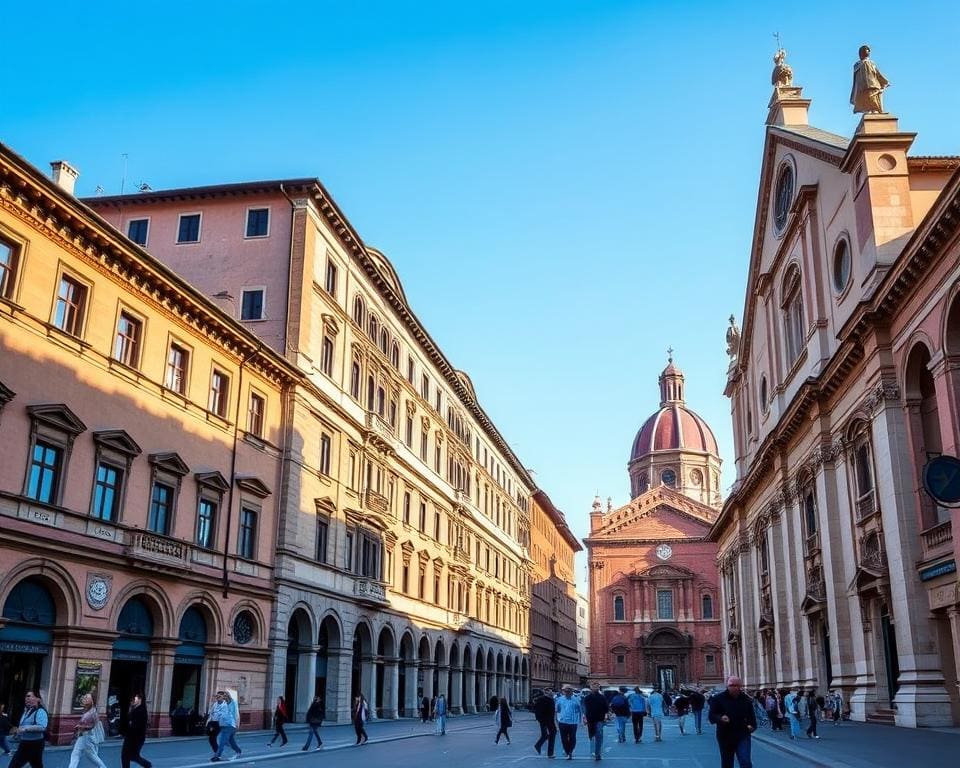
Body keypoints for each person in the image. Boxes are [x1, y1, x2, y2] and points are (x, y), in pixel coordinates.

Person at [708, 676, 756, 768]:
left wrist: (752, 726)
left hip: (743, 733)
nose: (735, 687)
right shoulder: (718, 698)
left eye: (737, 685)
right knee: (727, 762)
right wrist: (721, 718)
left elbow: (751, 717)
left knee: (745, 760)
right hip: (725, 735)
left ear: (740, 686)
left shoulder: (746, 699)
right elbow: (711, 716)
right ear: (727, 686)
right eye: (732, 685)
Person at [68, 693, 107, 768]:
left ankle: (103, 767)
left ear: (92, 701)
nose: (85, 698)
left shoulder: (92, 712)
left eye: (87, 698)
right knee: (75, 754)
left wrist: (80, 727)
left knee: (91, 756)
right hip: (83, 736)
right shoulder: (88, 710)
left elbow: (91, 726)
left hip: (87, 737)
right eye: (85, 697)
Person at [9, 691, 47, 768]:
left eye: (29, 696)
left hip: (35, 744)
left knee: (14, 766)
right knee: (36, 765)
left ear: (38, 699)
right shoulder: (27, 710)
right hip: (25, 743)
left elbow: (42, 727)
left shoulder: (40, 711)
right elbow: (22, 725)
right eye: (26, 697)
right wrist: (17, 733)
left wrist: (26, 729)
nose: (27, 698)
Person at [850, 45, 890, 114]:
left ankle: (877, 110)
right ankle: (869, 110)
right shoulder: (858, 64)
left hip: (873, 84)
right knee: (867, 99)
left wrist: (883, 82)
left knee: (875, 98)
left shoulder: (871, 63)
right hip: (863, 87)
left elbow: (877, 73)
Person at [121, 694, 152, 768]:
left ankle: (147, 764)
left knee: (129, 756)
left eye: (135, 699)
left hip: (136, 738)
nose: (133, 701)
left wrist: (130, 724)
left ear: (140, 700)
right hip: (131, 736)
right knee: (128, 756)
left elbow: (137, 725)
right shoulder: (134, 709)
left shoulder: (141, 710)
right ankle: (147, 764)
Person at [211, 690, 241, 762]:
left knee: (221, 741)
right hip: (223, 725)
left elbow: (234, 712)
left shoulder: (230, 703)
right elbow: (214, 714)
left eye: (221, 696)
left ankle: (217, 756)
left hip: (229, 725)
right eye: (217, 696)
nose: (218, 697)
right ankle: (238, 751)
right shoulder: (218, 704)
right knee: (231, 741)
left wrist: (237, 723)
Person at [582, 681, 609, 762]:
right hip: (590, 719)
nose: (595, 688)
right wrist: (585, 718)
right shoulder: (587, 698)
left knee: (599, 735)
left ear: (599, 688)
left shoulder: (602, 697)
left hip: (599, 720)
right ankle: (593, 751)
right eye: (594, 686)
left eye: (597, 686)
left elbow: (606, 708)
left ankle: (597, 753)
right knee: (592, 736)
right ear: (591, 688)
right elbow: (585, 709)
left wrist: (606, 716)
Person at [556, 685, 582, 760]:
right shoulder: (560, 699)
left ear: (571, 691)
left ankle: (570, 750)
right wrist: (556, 720)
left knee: (572, 737)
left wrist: (581, 721)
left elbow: (580, 710)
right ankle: (567, 752)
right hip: (563, 721)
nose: (567, 693)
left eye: (568, 691)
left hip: (573, 722)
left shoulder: (576, 699)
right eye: (565, 691)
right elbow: (557, 709)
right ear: (563, 692)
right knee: (563, 738)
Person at [533, 688, 557, 757]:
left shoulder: (551, 699)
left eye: (551, 691)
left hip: (549, 720)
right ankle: (550, 753)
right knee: (551, 733)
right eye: (550, 691)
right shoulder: (543, 699)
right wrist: (540, 719)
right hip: (545, 721)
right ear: (546, 692)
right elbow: (537, 710)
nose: (552, 693)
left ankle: (538, 745)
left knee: (545, 735)